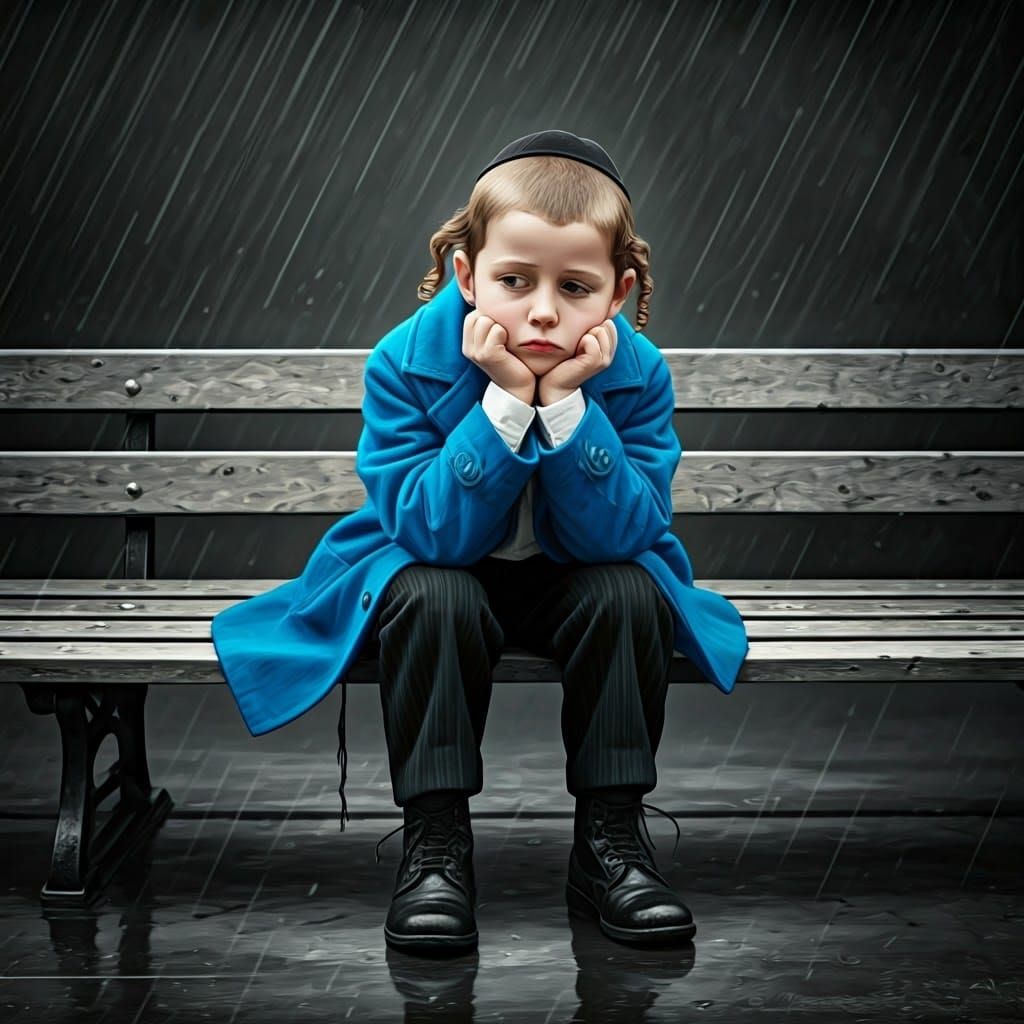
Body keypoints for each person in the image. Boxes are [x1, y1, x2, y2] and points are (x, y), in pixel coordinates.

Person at [210, 129, 750, 958]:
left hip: (573, 580)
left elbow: (629, 531)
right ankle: (436, 849)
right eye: (513, 281)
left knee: (628, 590)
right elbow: (429, 533)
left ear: (618, 292)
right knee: (433, 593)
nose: (541, 311)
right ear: (466, 275)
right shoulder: (404, 361)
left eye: (575, 287)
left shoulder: (637, 373)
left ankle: (611, 844)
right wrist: (503, 407)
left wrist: (568, 405)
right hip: (443, 571)